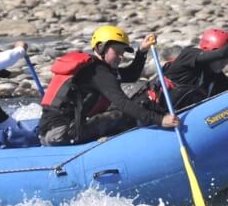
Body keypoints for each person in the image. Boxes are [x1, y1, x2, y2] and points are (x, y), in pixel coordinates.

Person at [39, 25, 180, 146]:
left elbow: (131, 75)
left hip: (50, 133)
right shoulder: (98, 72)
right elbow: (122, 103)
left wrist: (142, 51)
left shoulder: (97, 69)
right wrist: (160, 119)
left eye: (122, 53)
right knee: (124, 115)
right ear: (101, 47)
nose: (120, 57)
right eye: (116, 52)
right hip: (62, 135)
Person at [147, 25, 228, 110]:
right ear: (211, 53)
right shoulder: (189, 56)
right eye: (224, 59)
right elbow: (222, 53)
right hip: (153, 114)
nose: (226, 62)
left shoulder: (217, 79)